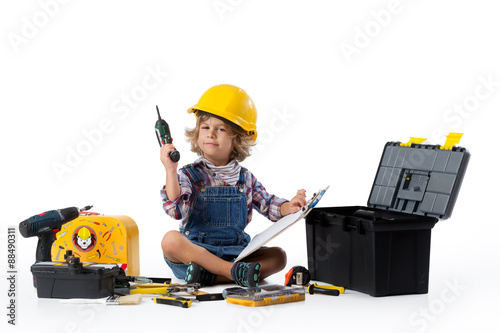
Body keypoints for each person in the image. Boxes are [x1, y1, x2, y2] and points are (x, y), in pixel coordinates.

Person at [160, 84, 306, 287]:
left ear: (238, 139)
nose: (211, 134)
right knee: (170, 241)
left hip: (236, 253)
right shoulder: (188, 175)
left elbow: (268, 204)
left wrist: (289, 207)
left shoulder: (245, 178)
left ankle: (212, 277)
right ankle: (231, 273)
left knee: (279, 256)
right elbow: (176, 210)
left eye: (220, 129)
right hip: (196, 254)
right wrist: (170, 171)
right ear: (197, 133)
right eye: (205, 127)